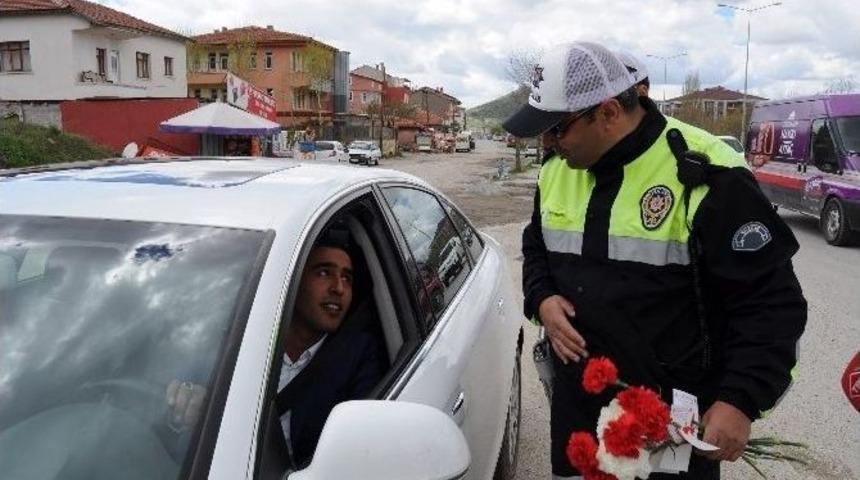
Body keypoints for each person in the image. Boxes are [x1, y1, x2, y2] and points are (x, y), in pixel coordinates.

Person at [503, 42, 806, 479]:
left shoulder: (707, 173)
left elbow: (771, 305)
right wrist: (543, 298)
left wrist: (740, 398)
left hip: (667, 429)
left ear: (608, 113)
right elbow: (536, 248)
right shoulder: (556, 169)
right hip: (578, 417)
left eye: (557, 129)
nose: (547, 143)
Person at [168, 224, 386, 469]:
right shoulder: (240, 341)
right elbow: (179, 417)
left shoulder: (358, 355)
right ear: (293, 282)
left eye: (347, 277)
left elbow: (359, 451)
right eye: (324, 273)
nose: (339, 288)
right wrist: (184, 413)